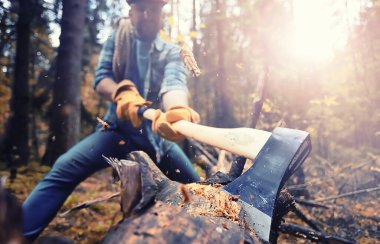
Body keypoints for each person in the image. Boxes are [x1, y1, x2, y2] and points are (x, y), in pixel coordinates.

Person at [22, 0, 200, 240]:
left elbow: (174, 85)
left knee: (198, 188)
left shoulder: (170, 52)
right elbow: (102, 78)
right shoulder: (118, 40)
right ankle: (16, 234)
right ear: (131, 11)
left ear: (161, 13)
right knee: (64, 167)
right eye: (141, 8)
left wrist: (178, 109)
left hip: (155, 140)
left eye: (153, 9)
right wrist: (121, 93)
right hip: (115, 133)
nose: (147, 14)